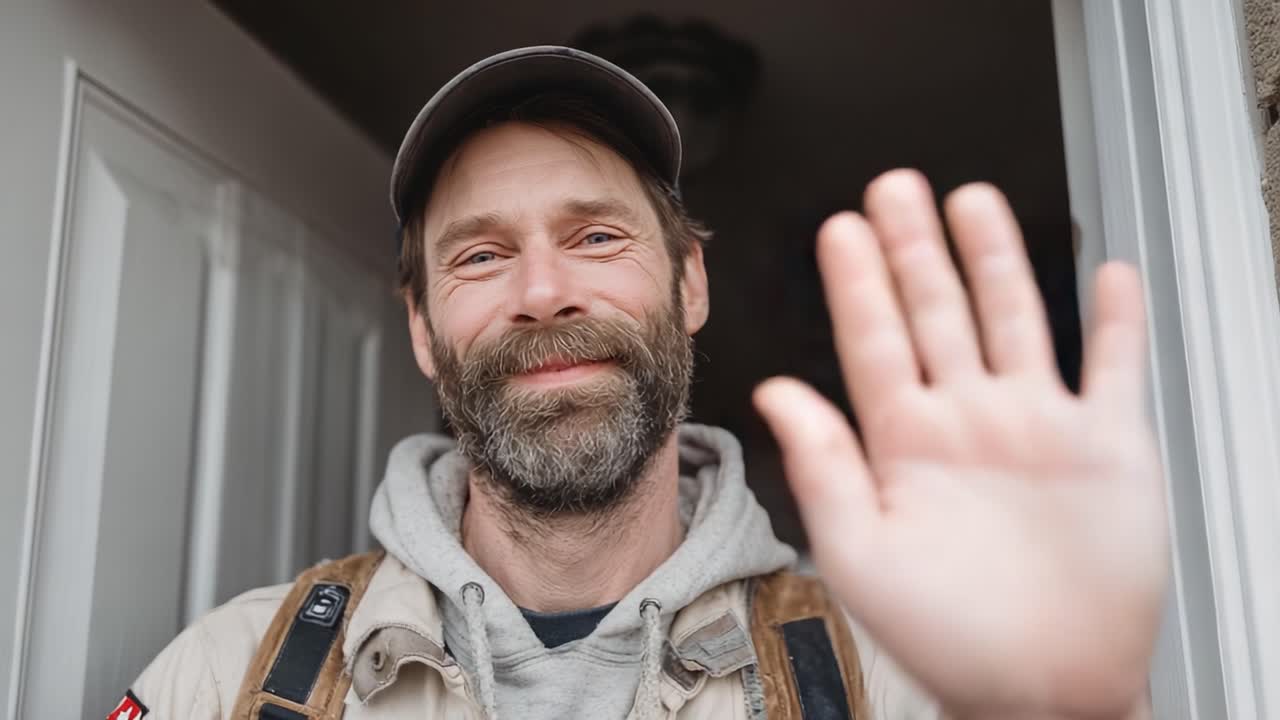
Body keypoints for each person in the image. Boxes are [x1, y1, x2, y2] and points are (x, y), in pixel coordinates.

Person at [115, 46, 1166, 720]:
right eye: (479, 256)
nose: (542, 291)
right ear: (424, 331)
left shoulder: (900, 679)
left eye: (597, 236)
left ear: (688, 284)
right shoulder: (230, 676)